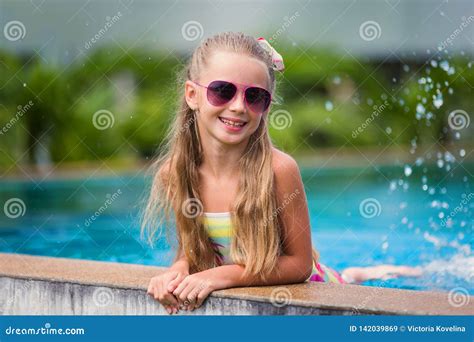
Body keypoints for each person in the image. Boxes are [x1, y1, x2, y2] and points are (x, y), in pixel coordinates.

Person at [142, 32, 422, 314]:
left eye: (255, 96)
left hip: (316, 288)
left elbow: (299, 265)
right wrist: (177, 271)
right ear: (192, 95)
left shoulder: (279, 170)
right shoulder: (176, 173)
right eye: (223, 91)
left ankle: (360, 275)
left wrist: (221, 275)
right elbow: (189, 249)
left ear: (267, 105)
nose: (239, 106)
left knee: (348, 281)